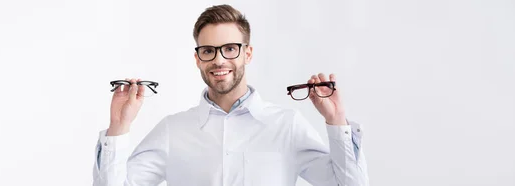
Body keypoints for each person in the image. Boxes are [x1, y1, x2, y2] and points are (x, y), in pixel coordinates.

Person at [93, 4, 369, 186]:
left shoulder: (286, 126)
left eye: (230, 49)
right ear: (198, 59)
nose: (218, 60)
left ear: (247, 53)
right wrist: (119, 126)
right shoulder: (172, 130)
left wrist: (337, 121)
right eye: (208, 50)